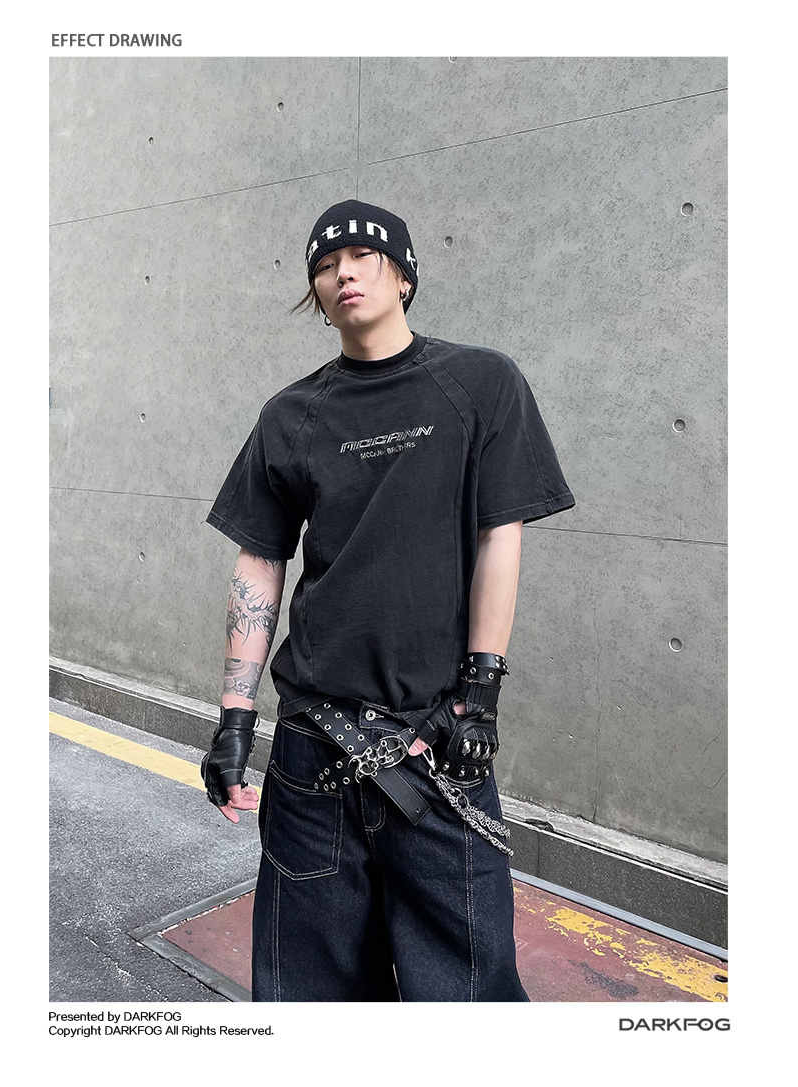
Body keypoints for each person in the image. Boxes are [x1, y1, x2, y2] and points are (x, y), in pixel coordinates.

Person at [200, 199, 576, 1001]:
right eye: (324, 263)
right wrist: (234, 718)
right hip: (312, 751)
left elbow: (499, 536)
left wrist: (480, 691)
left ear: (403, 276)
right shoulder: (290, 415)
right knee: (307, 996)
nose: (343, 271)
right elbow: (259, 560)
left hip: (437, 744)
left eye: (363, 255)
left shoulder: (480, 383)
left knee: (466, 996)